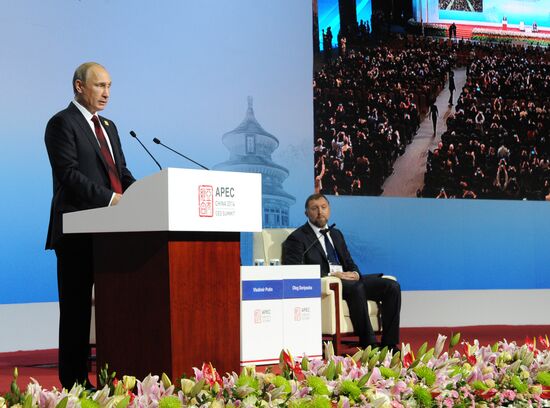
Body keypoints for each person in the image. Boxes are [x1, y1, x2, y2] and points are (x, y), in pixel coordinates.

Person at [45, 62, 135, 389]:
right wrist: (112, 199)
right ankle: (75, 383)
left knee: (116, 308)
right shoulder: (61, 123)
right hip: (77, 232)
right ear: (80, 86)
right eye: (99, 86)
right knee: (77, 312)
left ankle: (114, 379)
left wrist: (143, 195)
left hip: (113, 235)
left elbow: (121, 172)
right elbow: (69, 175)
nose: (106, 93)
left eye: (109, 86)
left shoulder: (109, 126)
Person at [282, 193, 401, 350]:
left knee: (391, 286)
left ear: (329, 209)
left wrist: (355, 273)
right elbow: (295, 271)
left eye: (323, 207)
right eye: (314, 208)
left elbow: (349, 262)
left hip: (350, 281)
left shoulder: (336, 234)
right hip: (330, 284)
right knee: (356, 287)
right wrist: (332, 276)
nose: (320, 212)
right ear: (306, 213)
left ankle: (390, 344)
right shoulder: (297, 238)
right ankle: (369, 344)